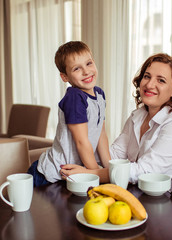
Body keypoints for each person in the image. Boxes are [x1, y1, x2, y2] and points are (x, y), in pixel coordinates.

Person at [61, 53, 172, 186]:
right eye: (147, 76)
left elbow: (144, 171)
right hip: (152, 196)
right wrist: (71, 153)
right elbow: (113, 156)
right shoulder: (137, 116)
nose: (150, 84)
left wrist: (89, 174)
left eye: (161, 80)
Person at [28, 41, 111, 186]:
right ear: (65, 77)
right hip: (51, 176)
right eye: (77, 68)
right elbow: (81, 142)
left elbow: (101, 134)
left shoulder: (99, 94)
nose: (86, 71)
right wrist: (97, 174)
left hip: (77, 172)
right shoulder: (74, 97)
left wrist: (109, 169)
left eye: (89, 63)